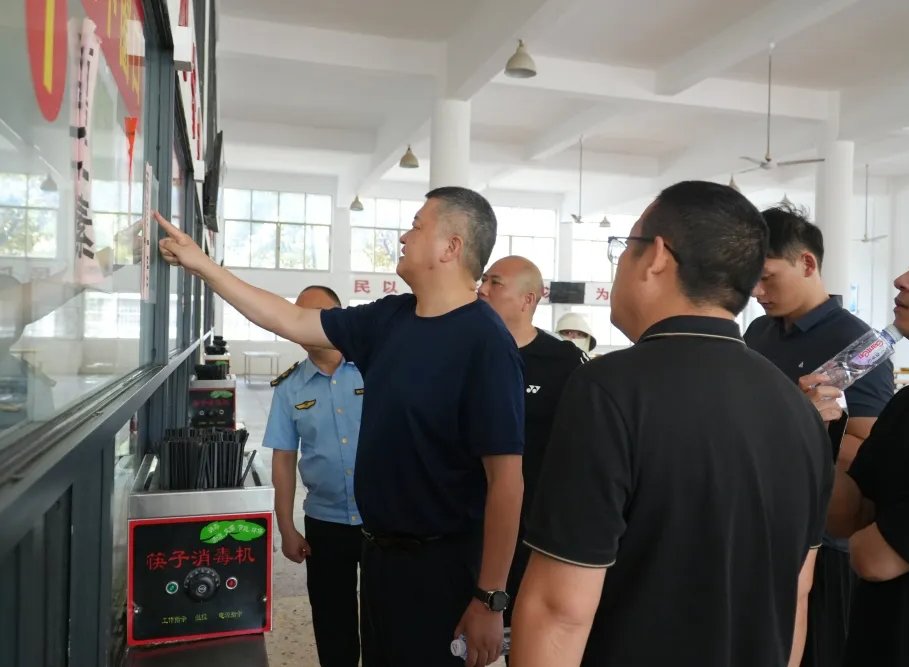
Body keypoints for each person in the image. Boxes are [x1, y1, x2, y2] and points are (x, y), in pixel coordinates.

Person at [154, 186, 524, 667]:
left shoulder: (485, 341)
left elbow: (506, 481)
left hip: (442, 567)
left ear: (450, 247)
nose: (404, 236)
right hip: (380, 557)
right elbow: (289, 318)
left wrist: (490, 598)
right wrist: (202, 265)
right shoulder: (391, 319)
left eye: (416, 225)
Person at [510, 180, 834, 667]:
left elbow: (559, 611)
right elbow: (796, 598)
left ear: (657, 257)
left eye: (625, 247)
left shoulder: (610, 390)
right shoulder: (800, 412)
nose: (620, 263)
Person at [800, 216, 909, 667]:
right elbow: (849, 516)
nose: (902, 279)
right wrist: (813, 435)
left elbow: (876, 559)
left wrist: (871, 534)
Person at [744, 204, 894, 667]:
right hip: (758, 523)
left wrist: (796, 421)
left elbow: (867, 454)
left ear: (807, 263)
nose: (757, 291)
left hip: (823, 542)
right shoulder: (758, 332)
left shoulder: (859, 346)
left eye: (766, 277)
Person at [477, 255, 589, 650]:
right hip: (465, 528)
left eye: (495, 283)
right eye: (483, 280)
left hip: (534, 536)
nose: (482, 290)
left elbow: (584, 450)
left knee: (525, 643)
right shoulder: (465, 353)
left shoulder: (564, 363)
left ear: (528, 299)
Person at [263, 285, 364, 667]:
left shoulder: (376, 367)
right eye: (299, 316)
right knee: (332, 621)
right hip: (325, 521)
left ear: (341, 318)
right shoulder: (290, 388)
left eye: (318, 315)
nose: (306, 324)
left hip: (384, 519)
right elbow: (284, 459)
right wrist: (286, 527)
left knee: (387, 620)